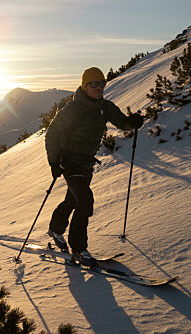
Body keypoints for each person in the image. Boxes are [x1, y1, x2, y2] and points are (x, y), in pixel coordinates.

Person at [44, 67, 143, 267]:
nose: (100, 87)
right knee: (85, 201)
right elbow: (52, 134)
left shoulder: (105, 107)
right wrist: (54, 162)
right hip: (69, 160)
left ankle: (55, 229)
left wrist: (133, 122)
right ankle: (78, 250)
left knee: (73, 200)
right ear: (85, 86)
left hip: (86, 163)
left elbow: (122, 123)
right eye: (94, 84)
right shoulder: (73, 109)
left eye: (102, 83)